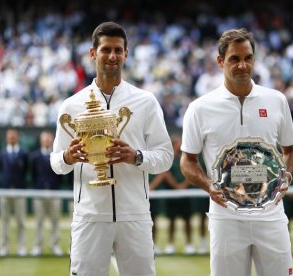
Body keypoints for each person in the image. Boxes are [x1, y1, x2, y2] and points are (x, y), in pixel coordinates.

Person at [50, 22, 173, 276]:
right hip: (89, 216)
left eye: (118, 50)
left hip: (135, 215)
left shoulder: (146, 101)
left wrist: (136, 156)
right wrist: (67, 157)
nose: (112, 56)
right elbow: (55, 162)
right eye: (106, 50)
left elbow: (166, 156)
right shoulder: (71, 105)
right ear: (93, 53)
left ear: (126, 54)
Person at [180, 28, 293, 276]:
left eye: (248, 58)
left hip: (271, 214)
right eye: (235, 58)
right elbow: (187, 162)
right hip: (226, 217)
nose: (242, 65)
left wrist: (285, 177)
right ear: (220, 61)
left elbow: (290, 151)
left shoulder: (276, 100)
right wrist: (208, 185)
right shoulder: (199, 108)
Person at [30, 130, 63, 256]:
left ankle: (55, 245)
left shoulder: (56, 155)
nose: (47, 140)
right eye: (45, 138)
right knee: (39, 222)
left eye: (49, 138)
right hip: (39, 193)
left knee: (55, 221)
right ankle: (38, 246)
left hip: (55, 193)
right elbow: (33, 175)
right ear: (41, 140)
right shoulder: (35, 157)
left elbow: (60, 174)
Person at [0, 128, 29, 256]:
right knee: (4, 221)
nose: (11, 138)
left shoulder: (23, 153)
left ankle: (21, 247)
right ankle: (4, 247)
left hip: (19, 190)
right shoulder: (2, 153)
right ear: (6, 138)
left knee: (20, 221)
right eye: (9, 136)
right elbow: (1, 169)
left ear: (17, 137)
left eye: (14, 136)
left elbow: (25, 170)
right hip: (5, 190)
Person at [163, 135, 194, 255]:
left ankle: (189, 244)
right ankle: (170, 244)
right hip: (171, 195)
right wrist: (176, 186)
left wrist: (183, 185)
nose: (179, 145)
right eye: (177, 143)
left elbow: (190, 172)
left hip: (185, 195)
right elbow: (165, 173)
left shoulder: (185, 158)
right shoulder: (168, 159)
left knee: (187, 221)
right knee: (171, 221)